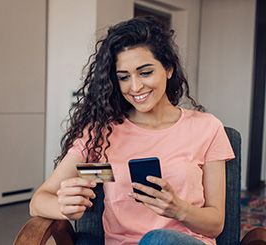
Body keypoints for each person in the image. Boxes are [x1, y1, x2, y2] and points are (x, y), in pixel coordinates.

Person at [29, 16, 235, 245]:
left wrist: (178, 209)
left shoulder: (207, 127)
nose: (135, 87)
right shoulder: (101, 133)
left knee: (158, 240)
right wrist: (65, 206)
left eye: (145, 72)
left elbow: (216, 224)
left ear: (168, 69)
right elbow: (38, 201)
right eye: (124, 77)